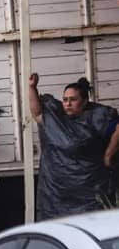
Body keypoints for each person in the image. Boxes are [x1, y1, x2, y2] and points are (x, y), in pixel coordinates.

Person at [29, 74, 118, 221]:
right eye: (65, 100)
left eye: (73, 100)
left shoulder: (97, 115)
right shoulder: (56, 117)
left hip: (88, 189)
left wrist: (108, 155)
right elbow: (37, 113)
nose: (68, 104)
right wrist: (32, 87)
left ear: (84, 102)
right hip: (58, 191)